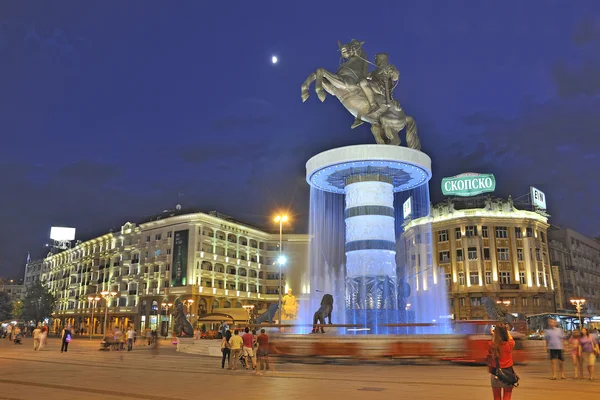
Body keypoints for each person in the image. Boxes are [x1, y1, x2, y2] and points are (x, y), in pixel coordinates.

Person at [488, 324, 515, 400]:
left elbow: (493, 345)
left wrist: (495, 334)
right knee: (507, 395)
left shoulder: (491, 345)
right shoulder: (509, 344)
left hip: (495, 373)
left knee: (496, 397)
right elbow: (510, 338)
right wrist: (505, 330)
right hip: (508, 373)